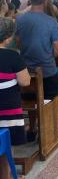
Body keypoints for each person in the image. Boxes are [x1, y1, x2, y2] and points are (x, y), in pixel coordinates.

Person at [16, 0, 58, 100]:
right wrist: (48, 56)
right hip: (47, 69)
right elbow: (57, 47)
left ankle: (33, 118)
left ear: (30, 0)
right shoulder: (51, 21)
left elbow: (18, 42)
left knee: (30, 100)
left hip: (27, 68)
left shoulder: (20, 19)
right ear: (46, 0)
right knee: (50, 102)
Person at [0, 18, 31, 179]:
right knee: (7, 146)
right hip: (7, 112)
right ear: (8, 38)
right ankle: (7, 175)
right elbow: (25, 81)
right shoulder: (12, 56)